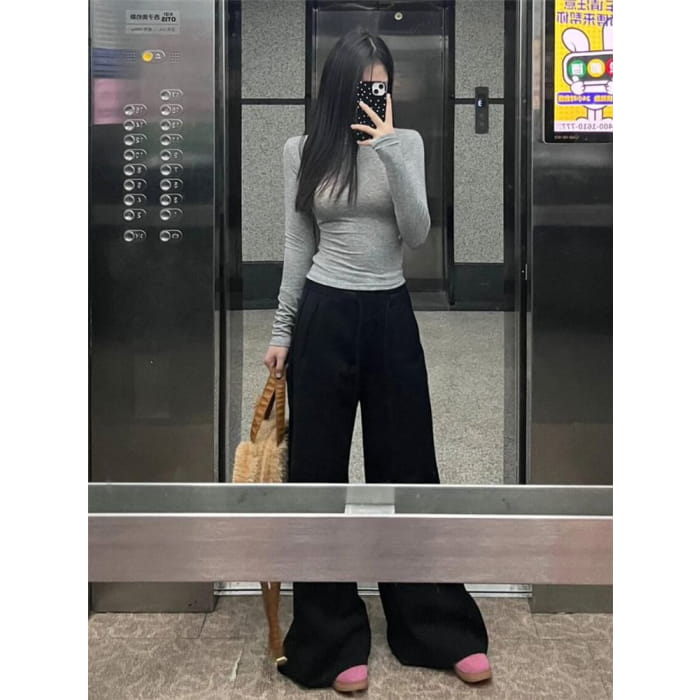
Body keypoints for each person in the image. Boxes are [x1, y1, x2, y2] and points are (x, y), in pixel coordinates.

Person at [263, 29, 492, 693]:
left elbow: (416, 233)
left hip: (390, 314)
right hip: (325, 315)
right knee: (318, 475)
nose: (375, 93)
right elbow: (297, 244)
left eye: (382, 83)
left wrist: (388, 147)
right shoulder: (302, 150)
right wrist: (282, 330)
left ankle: (434, 625)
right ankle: (330, 636)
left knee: (410, 468)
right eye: (363, 84)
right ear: (337, 87)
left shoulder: (406, 143)